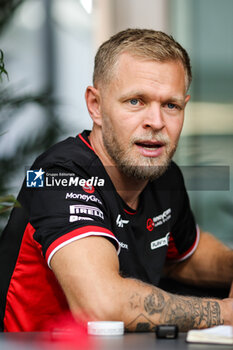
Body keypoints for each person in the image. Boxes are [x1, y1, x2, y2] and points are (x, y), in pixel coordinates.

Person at [0, 28, 232, 332]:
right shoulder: (57, 175)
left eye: (171, 105)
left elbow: (187, 258)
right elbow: (101, 305)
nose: (157, 122)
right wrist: (226, 313)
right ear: (96, 106)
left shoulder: (163, 174)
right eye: (136, 101)